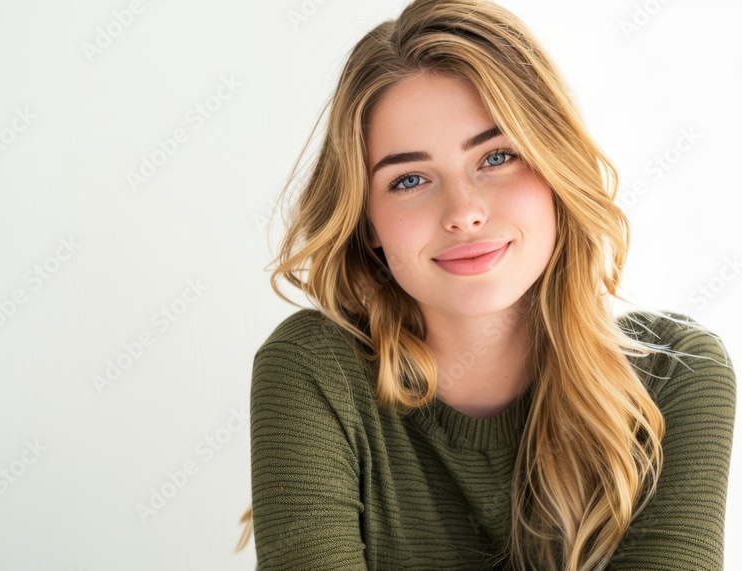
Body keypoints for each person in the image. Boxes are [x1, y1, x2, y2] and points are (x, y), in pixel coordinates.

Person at [232, 0, 737, 569]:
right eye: (410, 179)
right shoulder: (313, 371)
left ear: (555, 169)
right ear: (368, 222)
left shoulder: (676, 378)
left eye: (497, 156)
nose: (464, 212)